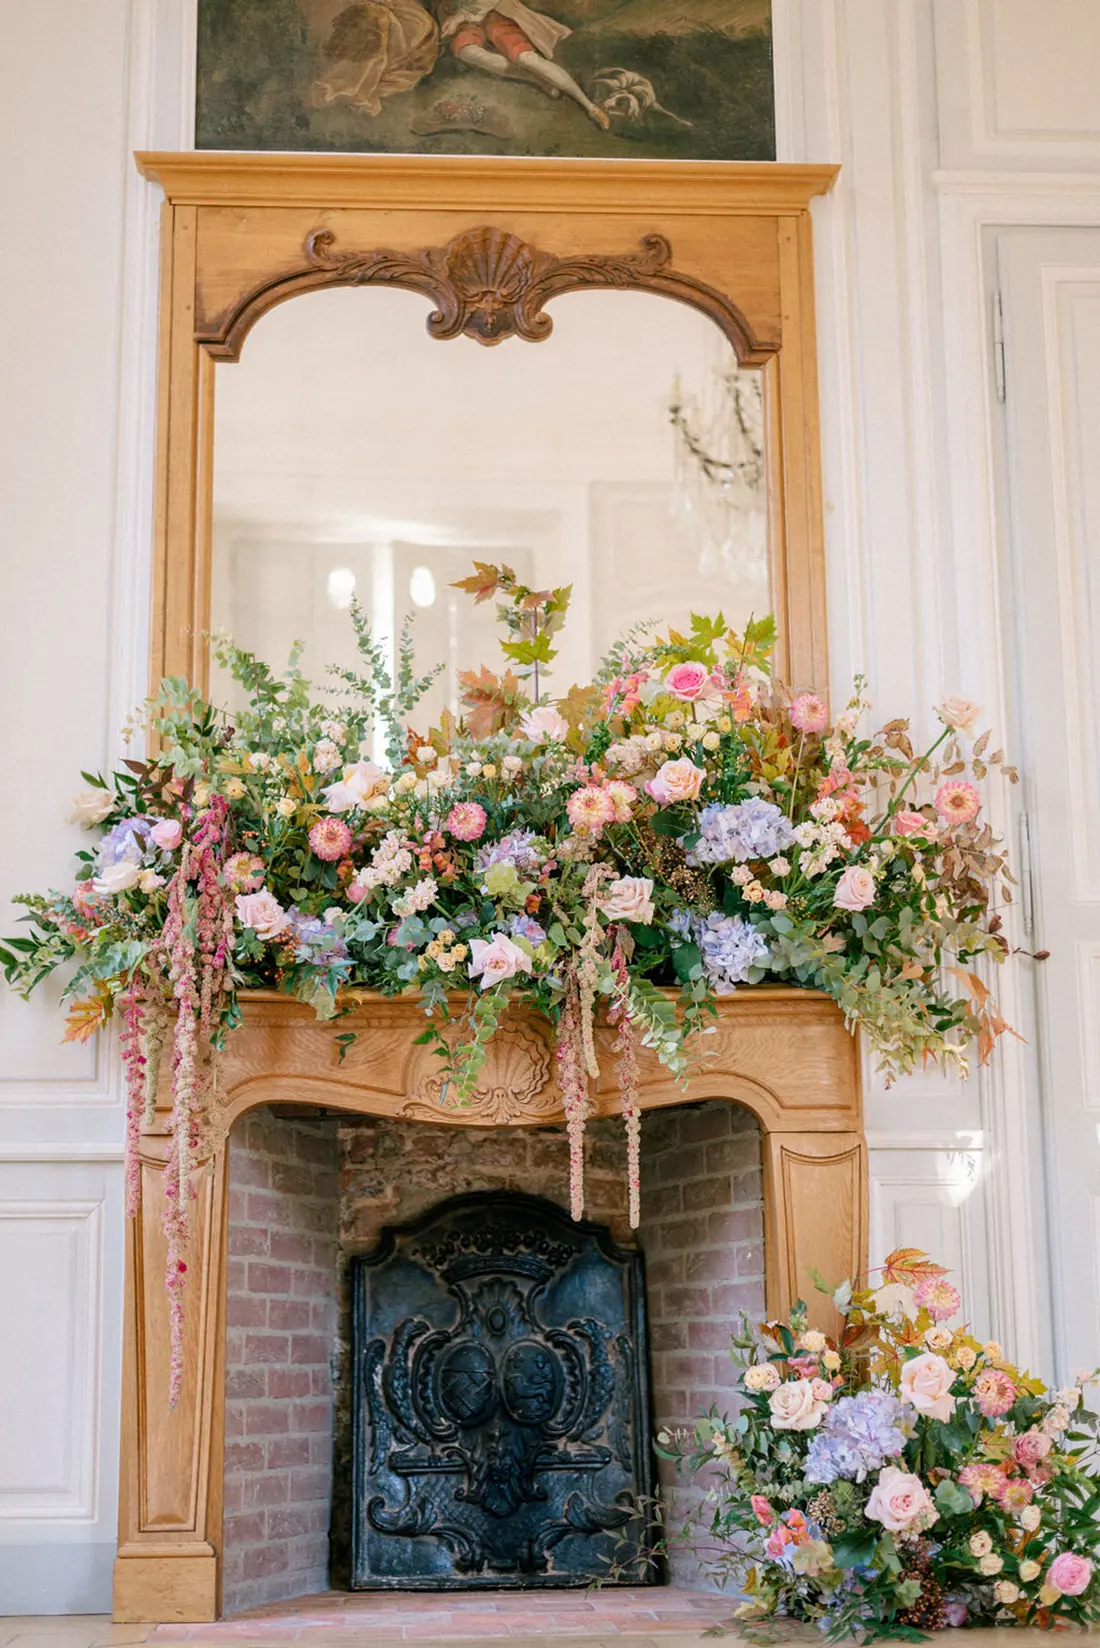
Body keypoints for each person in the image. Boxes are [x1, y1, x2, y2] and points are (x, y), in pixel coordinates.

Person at [433, 0, 610, 128]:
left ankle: (589, 106)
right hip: (466, 24)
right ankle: (536, 78)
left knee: (526, 58)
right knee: (466, 52)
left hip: (495, 15)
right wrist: (451, 18)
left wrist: (460, 15)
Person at [310, 0, 439, 117]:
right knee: (370, 20)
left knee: (373, 20)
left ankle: (349, 86)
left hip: (406, 28)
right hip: (388, 22)